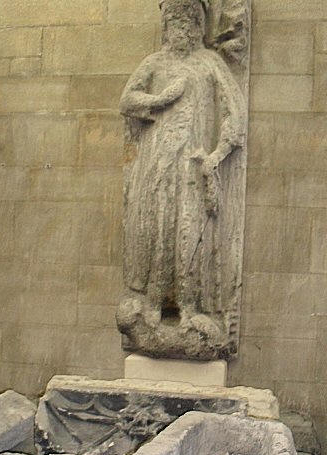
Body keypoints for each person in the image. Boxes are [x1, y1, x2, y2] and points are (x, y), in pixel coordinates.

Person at [117, 0, 247, 359]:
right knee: (159, 229)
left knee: (189, 234)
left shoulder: (209, 63)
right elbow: (127, 100)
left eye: (189, 22)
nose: (182, 29)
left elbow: (234, 114)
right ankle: (154, 304)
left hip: (192, 165)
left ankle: (191, 308)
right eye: (175, 22)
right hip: (159, 165)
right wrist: (160, 99)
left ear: (199, 27)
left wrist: (216, 156)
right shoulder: (155, 63)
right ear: (166, 27)